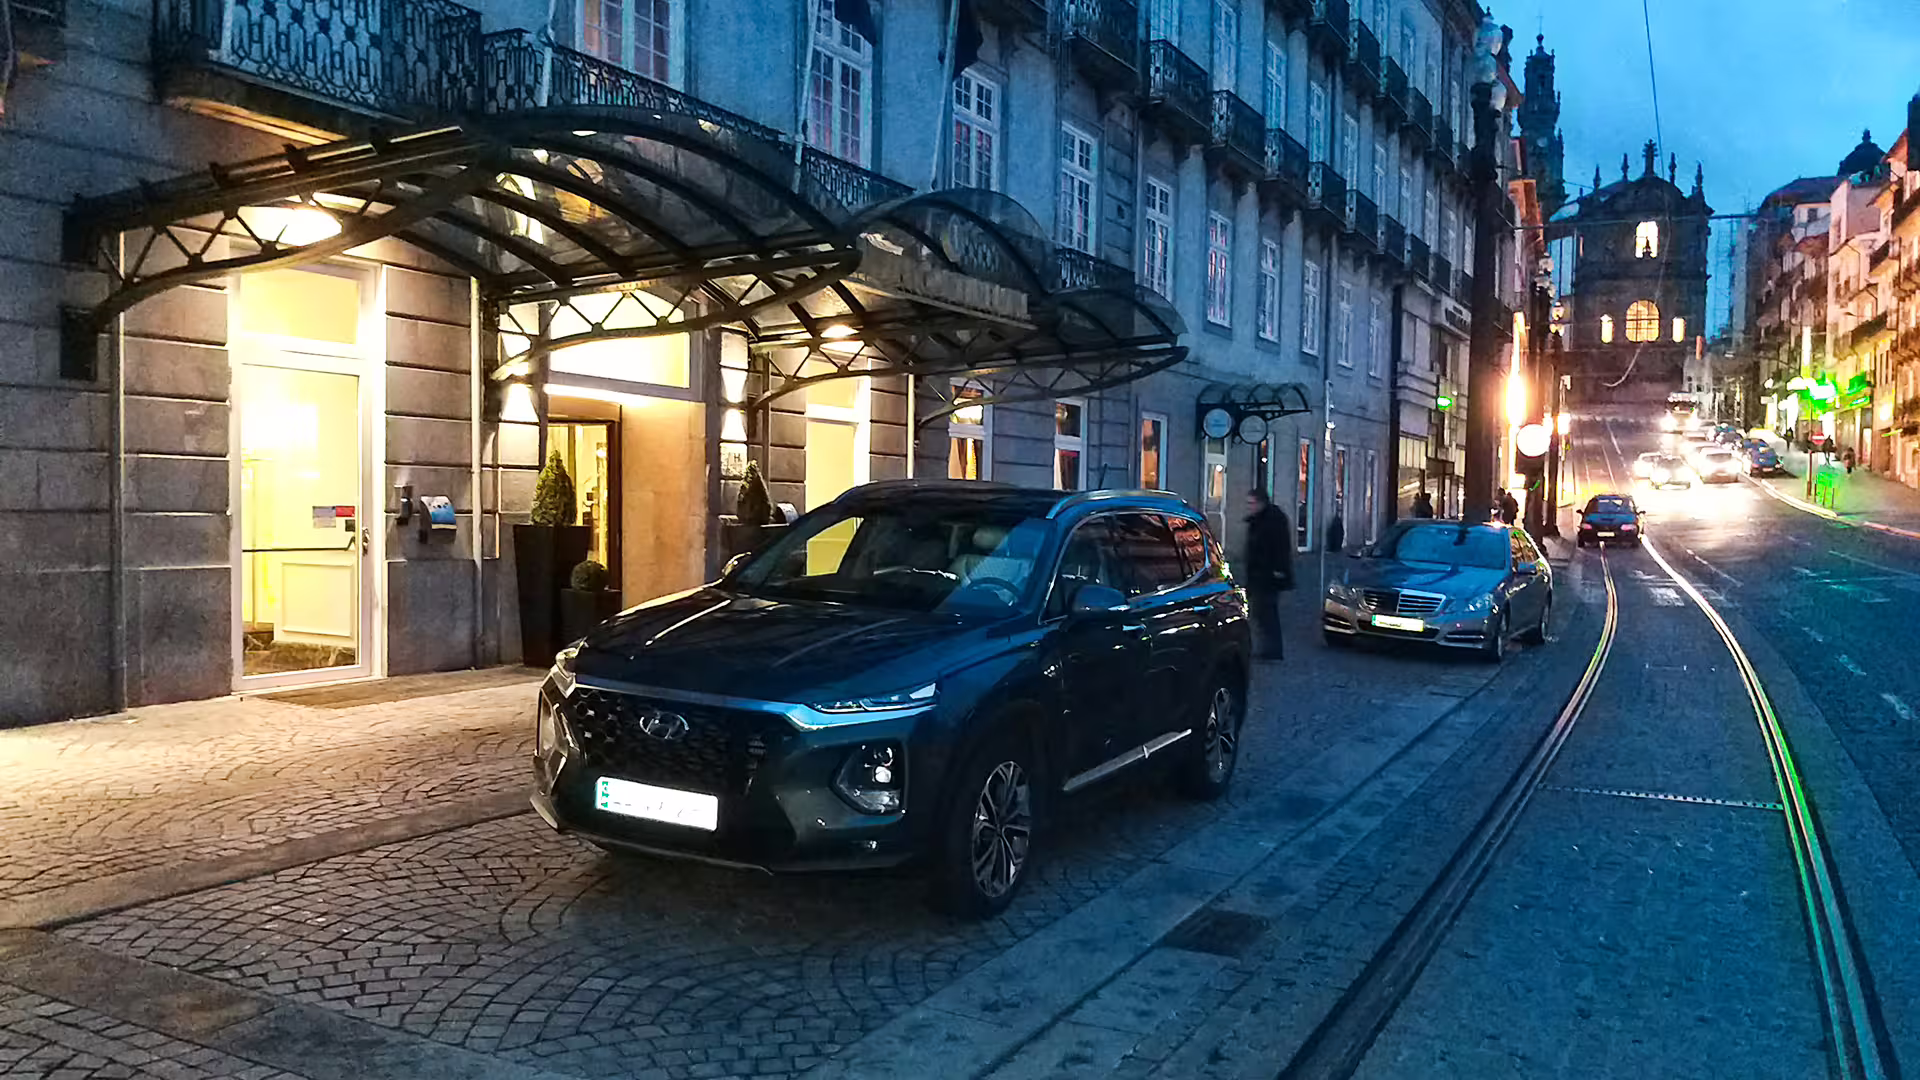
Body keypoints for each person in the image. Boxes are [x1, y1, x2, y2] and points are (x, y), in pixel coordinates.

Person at [1242, 489, 1294, 661]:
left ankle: (1272, 651)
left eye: (1251, 503)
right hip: (1259, 574)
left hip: (1268, 575)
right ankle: (1268, 648)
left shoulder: (1273, 520)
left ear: (1261, 503)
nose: (1249, 506)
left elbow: (1280, 549)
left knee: (1267, 612)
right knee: (1261, 612)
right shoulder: (1259, 520)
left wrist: (1278, 571)